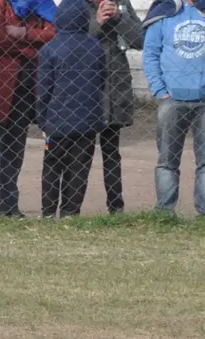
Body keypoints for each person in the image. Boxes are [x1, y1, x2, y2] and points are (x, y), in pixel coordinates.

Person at [0, 0, 55, 216]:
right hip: (3, 86)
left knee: (16, 147)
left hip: (28, 85)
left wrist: (24, 33)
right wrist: (31, 50)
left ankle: (8, 205)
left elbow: (53, 32)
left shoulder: (40, 5)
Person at [37, 0, 105, 217]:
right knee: (79, 168)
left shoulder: (50, 49)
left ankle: (48, 211)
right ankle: (70, 211)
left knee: (52, 166)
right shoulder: (95, 47)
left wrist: (42, 119)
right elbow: (100, 81)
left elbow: (44, 88)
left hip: (56, 120)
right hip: (87, 120)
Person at [143, 0, 205, 215]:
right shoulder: (165, 13)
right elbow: (150, 54)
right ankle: (165, 212)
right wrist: (160, 90)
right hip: (172, 99)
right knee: (168, 160)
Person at [88, 0, 143, 214]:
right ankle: (70, 207)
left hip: (113, 89)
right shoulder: (76, 5)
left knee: (111, 151)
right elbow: (70, 40)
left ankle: (116, 206)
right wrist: (98, 22)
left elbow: (139, 39)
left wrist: (120, 17)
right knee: (81, 152)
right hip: (86, 88)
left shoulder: (121, 4)